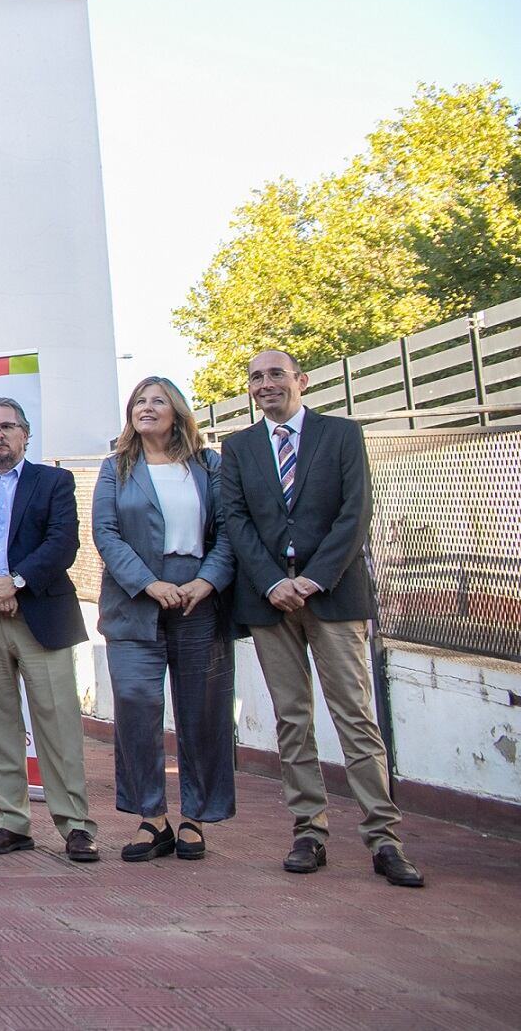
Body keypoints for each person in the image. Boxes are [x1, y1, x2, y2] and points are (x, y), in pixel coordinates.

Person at [216, 349, 423, 887]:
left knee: (355, 716)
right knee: (292, 719)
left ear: (300, 381)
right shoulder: (237, 447)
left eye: (276, 375)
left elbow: (356, 513)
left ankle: (384, 838)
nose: (266, 385)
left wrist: (314, 578)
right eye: (256, 377)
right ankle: (309, 830)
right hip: (269, 600)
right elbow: (235, 520)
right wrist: (273, 582)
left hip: (332, 595)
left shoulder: (342, 435)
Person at [92, 377, 236, 863]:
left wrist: (208, 580)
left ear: (177, 412)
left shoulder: (209, 464)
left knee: (202, 711)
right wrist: (149, 583)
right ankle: (151, 817)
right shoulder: (116, 468)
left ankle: (195, 816)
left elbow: (229, 531)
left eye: (157, 401)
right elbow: (105, 534)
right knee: (135, 706)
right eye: (139, 401)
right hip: (135, 598)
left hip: (199, 597)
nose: (146, 408)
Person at [0, 397, 99, 862]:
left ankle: (75, 825)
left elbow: (63, 543)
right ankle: (11, 821)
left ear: (25, 433)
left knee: (58, 724)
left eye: (7, 427)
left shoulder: (54, 481)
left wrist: (14, 582)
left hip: (41, 617)